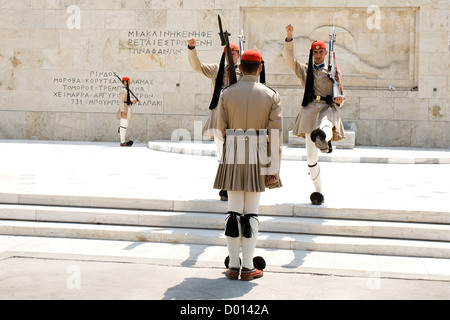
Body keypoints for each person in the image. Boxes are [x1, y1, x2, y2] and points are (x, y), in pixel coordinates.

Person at [213, 49, 283, 280]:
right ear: (260, 68)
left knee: (233, 212)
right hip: (257, 153)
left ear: (240, 68)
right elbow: (276, 135)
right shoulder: (271, 96)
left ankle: (233, 265)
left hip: (233, 151)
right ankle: (249, 266)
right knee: (251, 213)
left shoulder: (226, 93)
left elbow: (220, 131)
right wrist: (273, 169)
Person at [284, 24, 346, 205]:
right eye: (315, 52)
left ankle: (323, 139)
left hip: (327, 108)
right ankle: (318, 191)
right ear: (312, 53)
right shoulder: (305, 70)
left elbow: (340, 91)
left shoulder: (333, 71)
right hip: (310, 110)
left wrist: (340, 100)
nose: (318, 55)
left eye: (321, 52)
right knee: (311, 159)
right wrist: (289, 38)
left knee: (325, 125)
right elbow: (290, 60)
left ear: (325, 53)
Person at [187, 38, 242, 201]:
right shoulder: (216, 70)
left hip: (238, 116)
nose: (231, 57)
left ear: (238, 55)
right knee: (221, 153)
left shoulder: (245, 71)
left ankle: (236, 183)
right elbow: (197, 66)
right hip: (219, 116)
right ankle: (225, 185)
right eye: (228, 54)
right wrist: (191, 48)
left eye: (233, 54)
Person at [117, 76, 139, 147]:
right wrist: (122, 111)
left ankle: (123, 141)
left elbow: (128, 101)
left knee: (125, 126)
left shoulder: (126, 90)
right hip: (124, 109)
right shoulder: (123, 90)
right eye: (128, 81)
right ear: (125, 82)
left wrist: (135, 101)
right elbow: (120, 101)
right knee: (123, 126)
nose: (130, 83)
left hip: (127, 108)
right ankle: (122, 142)